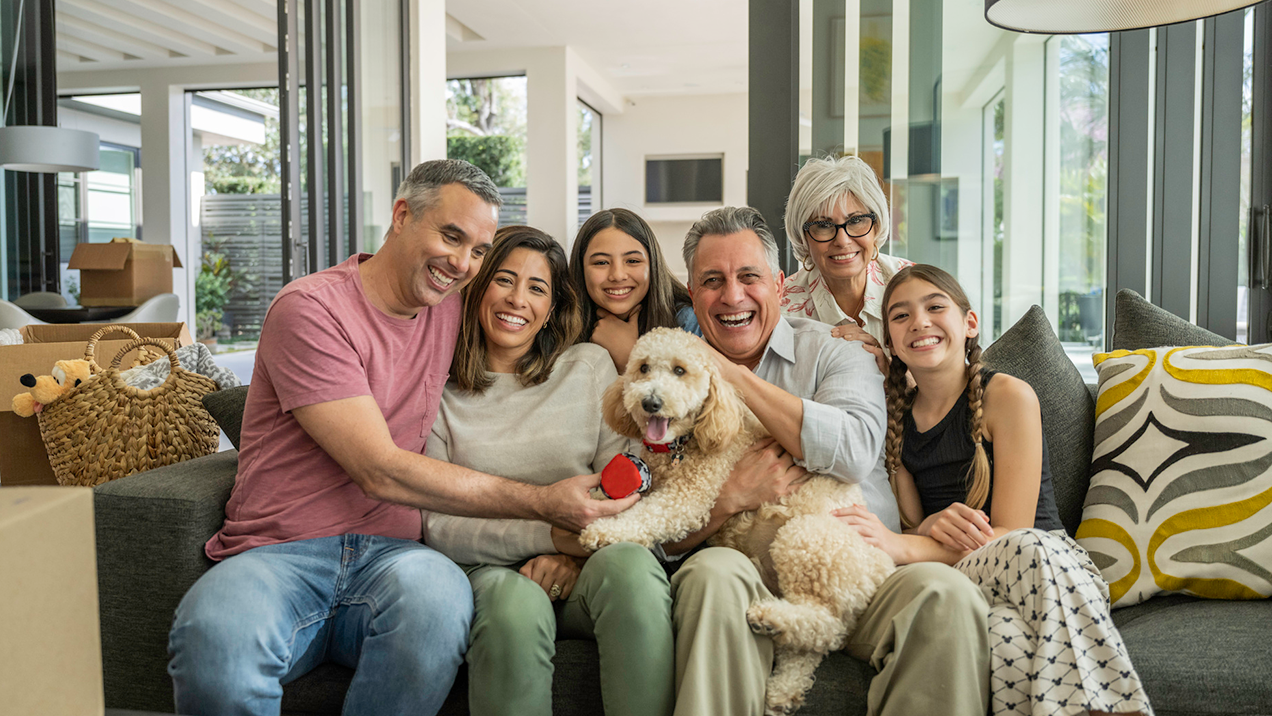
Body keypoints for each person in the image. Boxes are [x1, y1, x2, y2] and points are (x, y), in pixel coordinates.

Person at [167, 160, 638, 716]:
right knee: (213, 644)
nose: (462, 264)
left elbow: (531, 300)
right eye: (450, 236)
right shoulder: (312, 310)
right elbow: (379, 469)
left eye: (478, 250)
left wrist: (635, 334)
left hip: (399, 559)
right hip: (279, 554)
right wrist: (543, 505)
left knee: (439, 609)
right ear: (401, 215)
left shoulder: (454, 302)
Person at [666, 206, 990, 716]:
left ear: (777, 283)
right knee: (710, 575)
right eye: (712, 281)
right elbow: (656, 522)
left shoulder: (836, 351)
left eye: (749, 277)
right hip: (741, 571)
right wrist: (731, 499)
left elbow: (856, 451)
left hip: (858, 566)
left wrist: (731, 375)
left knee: (945, 593)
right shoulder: (666, 375)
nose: (732, 296)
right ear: (691, 292)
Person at [836, 264, 1152, 716]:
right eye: (900, 316)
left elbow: (1011, 533)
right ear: (891, 342)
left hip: (1050, 568)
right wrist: (925, 527)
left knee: (1016, 595)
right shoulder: (895, 419)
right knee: (1002, 627)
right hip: (970, 580)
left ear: (969, 324)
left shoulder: (1008, 395)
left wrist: (900, 545)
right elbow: (916, 525)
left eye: (935, 307)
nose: (920, 322)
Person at [422, 225, 674, 716]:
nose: (518, 300)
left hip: (587, 559)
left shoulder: (589, 366)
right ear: (477, 285)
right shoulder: (437, 389)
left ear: (554, 309)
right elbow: (436, 523)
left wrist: (576, 556)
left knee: (633, 570)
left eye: (537, 288)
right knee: (516, 610)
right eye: (504, 280)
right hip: (489, 570)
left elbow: (624, 487)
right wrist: (551, 538)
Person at [779, 155, 912, 373]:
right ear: (803, 237)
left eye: (857, 221)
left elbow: (950, 388)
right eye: (823, 225)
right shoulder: (780, 310)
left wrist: (890, 374)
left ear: (876, 226)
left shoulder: (917, 287)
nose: (842, 240)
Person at [569, 208, 700, 373]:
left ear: (652, 264)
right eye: (601, 262)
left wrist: (630, 358)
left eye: (632, 260)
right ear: (581, 269)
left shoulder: (687, 322)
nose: (617, 275)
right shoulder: (561, 325)